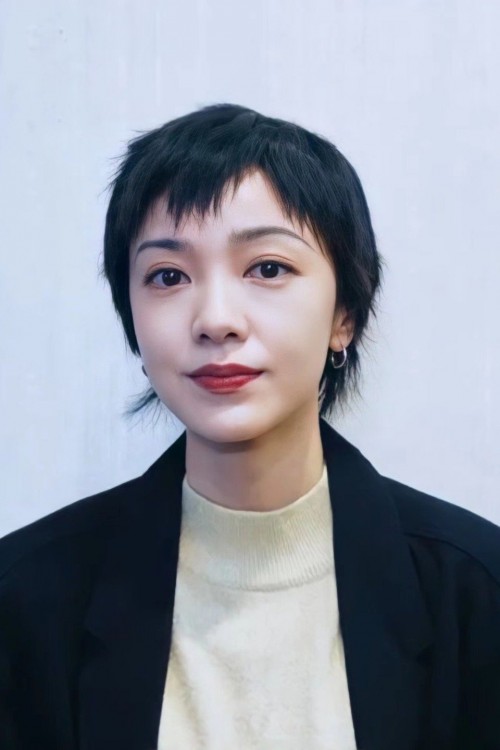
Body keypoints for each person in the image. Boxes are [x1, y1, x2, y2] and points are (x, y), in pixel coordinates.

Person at [0, 104, 499, 750]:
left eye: (267, 268)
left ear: (344, 314)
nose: (216, 319)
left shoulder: (475, 592)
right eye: (168, 276)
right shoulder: (26, 600)